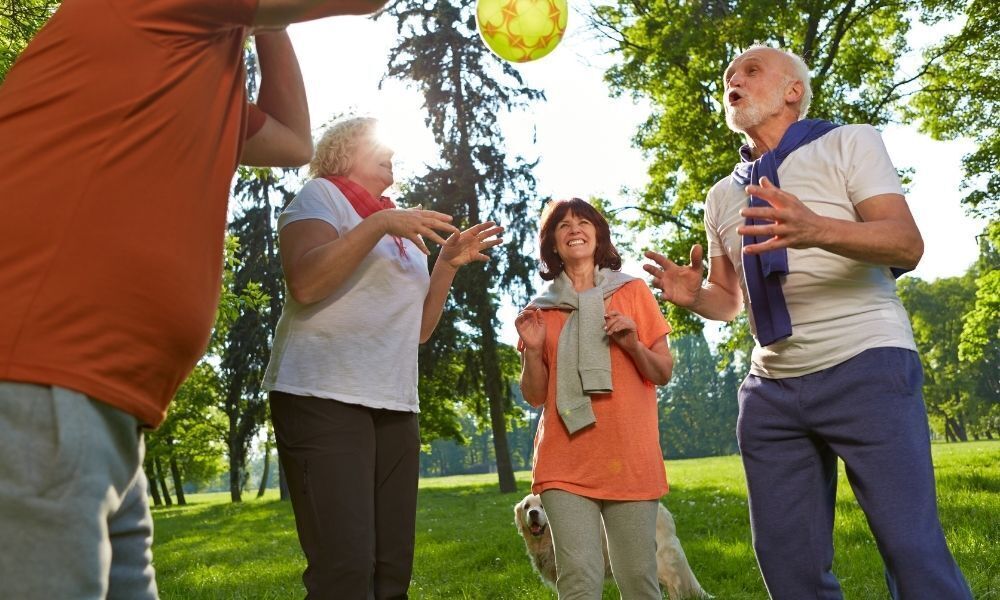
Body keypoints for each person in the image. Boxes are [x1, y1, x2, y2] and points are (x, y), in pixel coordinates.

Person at [0, 1, 392, 597]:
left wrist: (273, 24)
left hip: (97, 406)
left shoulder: (188, 62)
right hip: (38, 380)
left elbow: (291, 141)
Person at [644, 44, 972, 599]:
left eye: (750, 70)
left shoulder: (850, 142)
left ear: (792, 90)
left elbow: (905, 244)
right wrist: (691, 295)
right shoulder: (722, 193)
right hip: (771, 390)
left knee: (910, 548)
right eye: (728, 75)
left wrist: (816, 228)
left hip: (867, 364)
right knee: (787, 563)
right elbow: (729, 300)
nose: (734, 80)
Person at [261, 116, 504, 599]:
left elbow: (416, 330)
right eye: (377, 143)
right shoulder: (321, 197)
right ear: (343, 150)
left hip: (394, 404)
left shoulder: (400, 225)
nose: (390, 150)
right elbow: (306, 283)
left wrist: (446, 266)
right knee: (345, 570)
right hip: (321, 395)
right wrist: (378, 223)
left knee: (391, 571)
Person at [515, 198, 673, 599]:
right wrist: (533, 351)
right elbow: (535, 395)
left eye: (583, 221)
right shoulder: (540, 310)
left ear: (598, 235)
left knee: (639, 578)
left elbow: (662, 372)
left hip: (630, 454)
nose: (573, 229)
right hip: (565, 458)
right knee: (579, 579)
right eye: (563, 225)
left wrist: (632, 343)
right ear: (552, 243)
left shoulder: (633, 292)